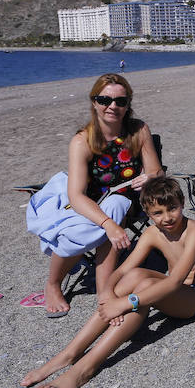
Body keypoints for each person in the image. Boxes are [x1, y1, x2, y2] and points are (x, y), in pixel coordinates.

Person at [21, 177, 195, 388]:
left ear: (182, 203)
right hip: (170, 293)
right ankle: (69, 354)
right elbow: (123, 270)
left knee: (139, 290)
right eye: (158, 213)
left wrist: (126, 302)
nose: (167, 217)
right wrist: (107, 296)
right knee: (134, 277)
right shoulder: (153, 233)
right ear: (148, 213)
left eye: (172, 209)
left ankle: (85, 368)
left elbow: (174, 282)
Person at [36, 73, 163, 315]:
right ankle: (60, 286)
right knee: (102, 219)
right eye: (105, 100)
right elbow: (76, 196)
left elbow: (155, 169)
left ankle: (88, 286)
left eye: (120, 101)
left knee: (116, 205)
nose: (112, 106)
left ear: (128, 105)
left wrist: (151, 176)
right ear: (94, 102)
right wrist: (108, 225)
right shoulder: (82, 141)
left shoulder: (138, 130)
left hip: (130, 201)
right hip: (90, 206)